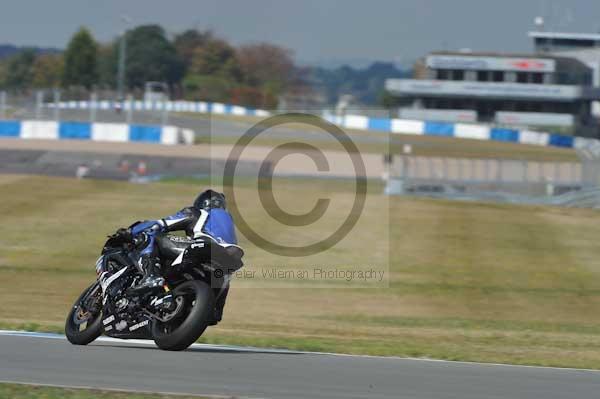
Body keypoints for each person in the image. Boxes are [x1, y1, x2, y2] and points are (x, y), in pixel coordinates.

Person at [111, 189, 242, 324]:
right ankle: (214, 309)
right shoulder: (228, 222)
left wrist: (131, 231)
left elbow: (160, 224)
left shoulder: (197, 212)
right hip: (230, 259)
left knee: (150, 235)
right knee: (224, 276)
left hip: (202, 248)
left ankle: (151, 276)